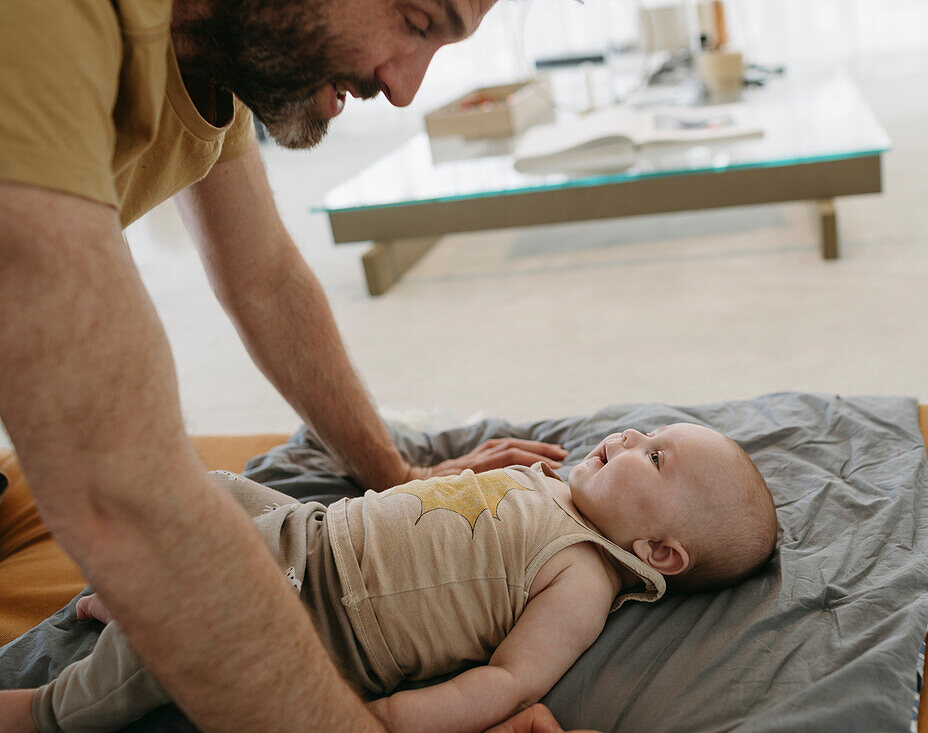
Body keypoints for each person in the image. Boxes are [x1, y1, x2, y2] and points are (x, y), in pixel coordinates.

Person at [0, 0, 567, 729]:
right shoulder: (43, 22)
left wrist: (398, 479)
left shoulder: (212, 48)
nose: (405, 88)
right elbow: (122, 496)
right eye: (418, 20)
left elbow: (262, 278)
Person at [0, 424, 778, 732]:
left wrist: (396, 718)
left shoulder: (581, 576)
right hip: (308, 532)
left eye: (657, 455)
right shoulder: (554, 487)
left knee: (185, 624)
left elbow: (511, 680)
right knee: (199, 484)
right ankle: (139, 591)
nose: (632, 435)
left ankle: (44, 710)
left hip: (314, 615)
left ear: (660, 550)